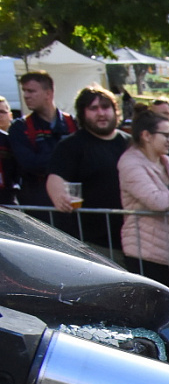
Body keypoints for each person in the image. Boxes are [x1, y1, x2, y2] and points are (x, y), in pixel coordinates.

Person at [116, 108, 169, 306]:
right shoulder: (130, 163)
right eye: (166, 135)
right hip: (146, 253)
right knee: (155, 310)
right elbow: (157, 201)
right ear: (146, 135)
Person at [46, 85, 130, 260]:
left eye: (106, 107)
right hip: (94, 242)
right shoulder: (71, 146)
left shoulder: (130, 143)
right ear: (82, 113)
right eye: (93, 108)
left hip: (134, 239)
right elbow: (55, 177)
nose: (101, 113)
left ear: (115, 110)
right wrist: (60, 196)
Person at [10, 71, 77, 207]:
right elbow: (30, 164)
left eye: (31, 91)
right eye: (24, 91)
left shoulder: (74, 123)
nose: (26, 96)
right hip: (38, 203)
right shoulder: (20, 127)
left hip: (72, 201)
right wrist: (67, 159)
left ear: (48, 93)